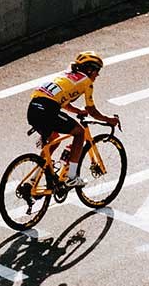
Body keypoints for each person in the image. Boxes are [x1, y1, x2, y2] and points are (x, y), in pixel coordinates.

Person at [21, 50, 119, 194]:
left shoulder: (67, 75)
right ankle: (72, 177)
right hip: (48, 110)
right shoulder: (86, 82)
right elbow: (92, 111)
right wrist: (109, 119)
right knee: (79, 133)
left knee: (54, 138)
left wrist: (77, 111)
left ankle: (32, 181)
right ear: (90, 69)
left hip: (33, 109)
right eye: (97, 71)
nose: (97, 75)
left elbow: (63, 101)